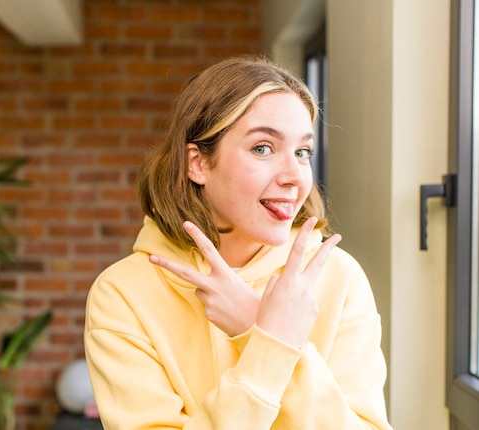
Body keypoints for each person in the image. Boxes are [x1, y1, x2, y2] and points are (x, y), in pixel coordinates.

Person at [84, 55, 392, 429]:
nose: (294, 176)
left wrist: (256, 329)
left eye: (302, 152)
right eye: (263, 148)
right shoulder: (123, 294)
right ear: (197, 163)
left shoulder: (340, 280)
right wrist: (269, 344)